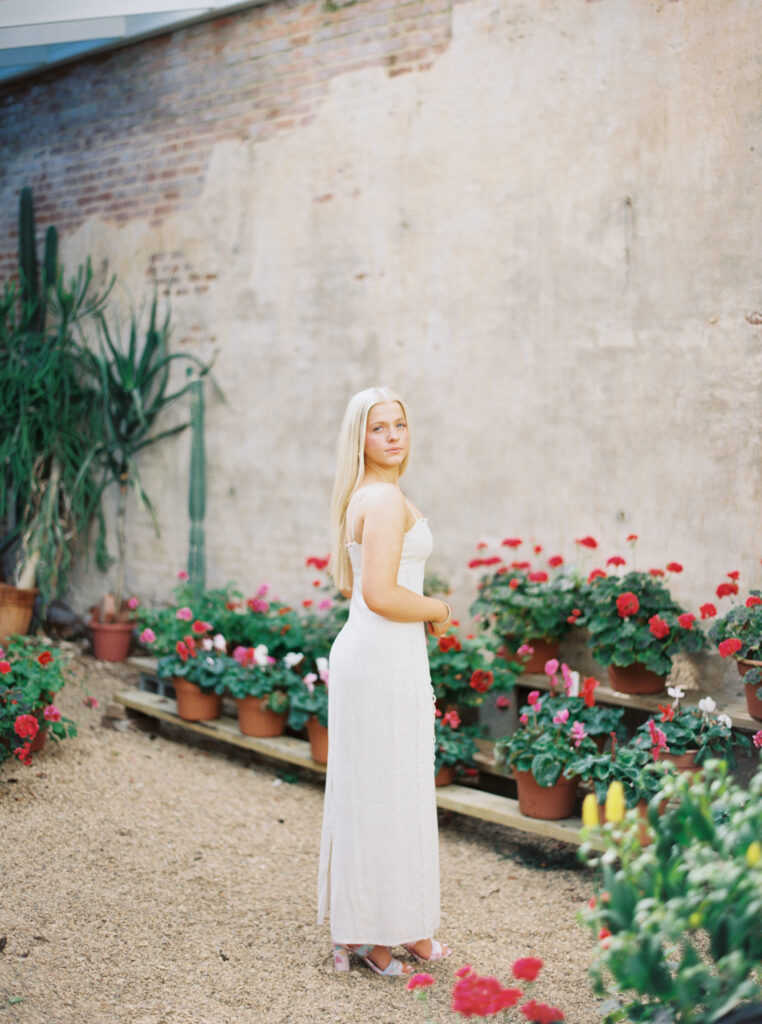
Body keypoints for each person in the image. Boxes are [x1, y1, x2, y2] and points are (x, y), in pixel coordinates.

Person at [317, 385, 453, 977]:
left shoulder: (372, 496)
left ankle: (402, 929)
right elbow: (377, 593)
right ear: (360, 438)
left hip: (380, 655)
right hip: (380, 658)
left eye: (399, 425)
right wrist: (440, 610)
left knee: (387, 789)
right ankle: (382, 935)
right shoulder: (384, 500)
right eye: (379, 428)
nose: (393, 436)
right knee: (385, 790)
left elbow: (364, 589)